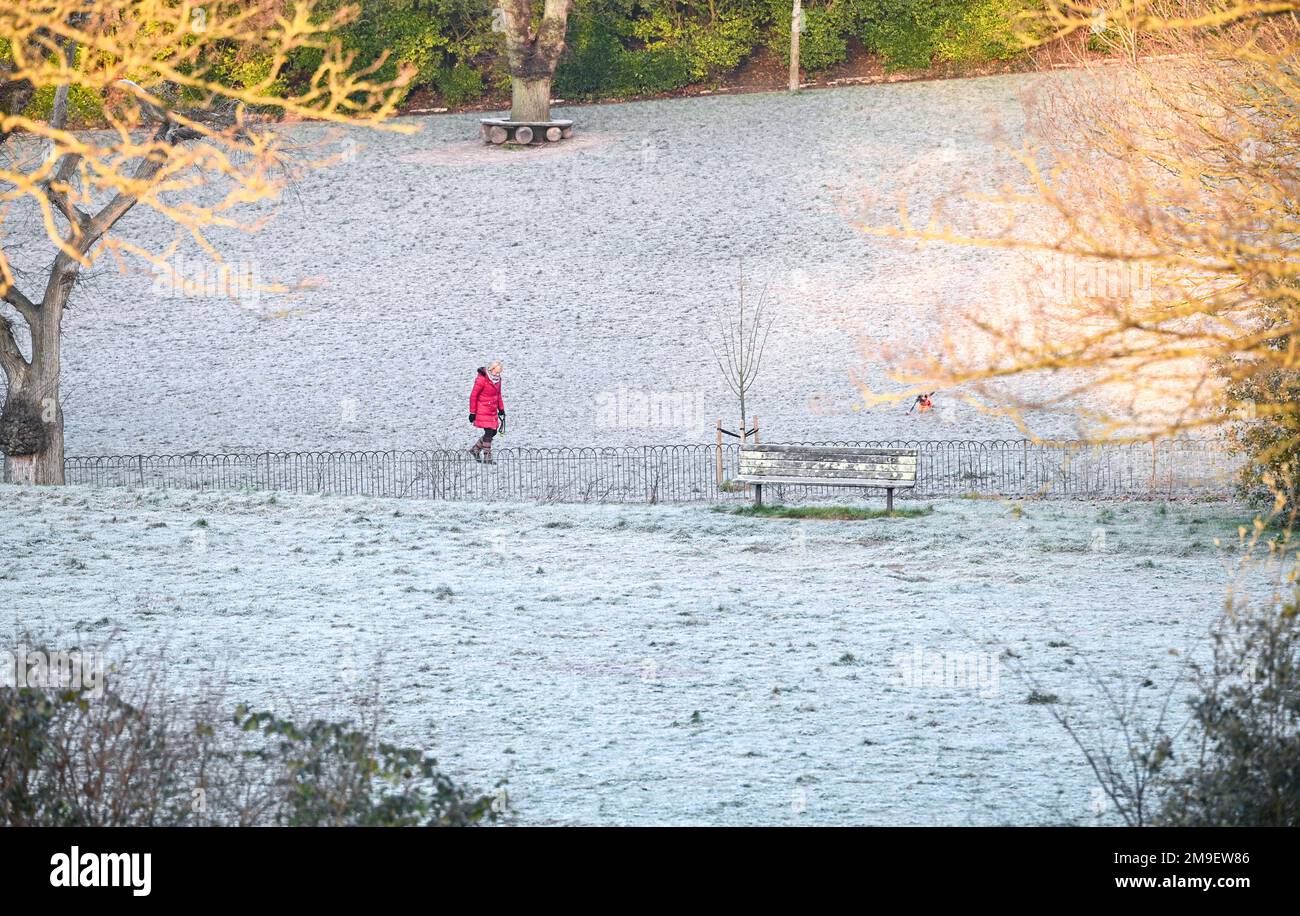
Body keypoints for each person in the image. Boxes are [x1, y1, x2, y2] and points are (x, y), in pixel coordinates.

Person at [469, 361, 505, 463]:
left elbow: (498, 395)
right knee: (489, 432)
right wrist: (472, 412)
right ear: (491, 370)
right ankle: (487, 457)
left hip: (492, 410)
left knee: (493, 432)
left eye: (499, 373)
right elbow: (473, 396)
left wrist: (501, 408)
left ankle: (475, 449)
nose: (497, 374)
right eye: (496, 372)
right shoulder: (482, 380)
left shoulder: (498, 380)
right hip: (482, 409)